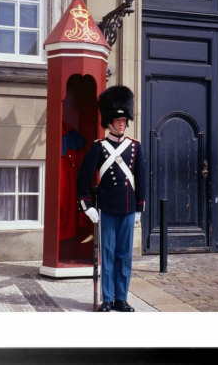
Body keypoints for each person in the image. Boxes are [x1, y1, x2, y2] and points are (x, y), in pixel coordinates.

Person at [77, 85, 145, 312]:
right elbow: (83, 177)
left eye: (125, 119)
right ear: (108, 122)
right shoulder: (99, 147)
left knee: (124, 255)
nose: (122, 123)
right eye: (118, 120)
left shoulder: (135, 147)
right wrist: (87, 206)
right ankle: (107, 298)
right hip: (106, 208)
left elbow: (142, 178)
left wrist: (139, 208)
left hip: (127, 208)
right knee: (107, 253)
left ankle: (121, 298)